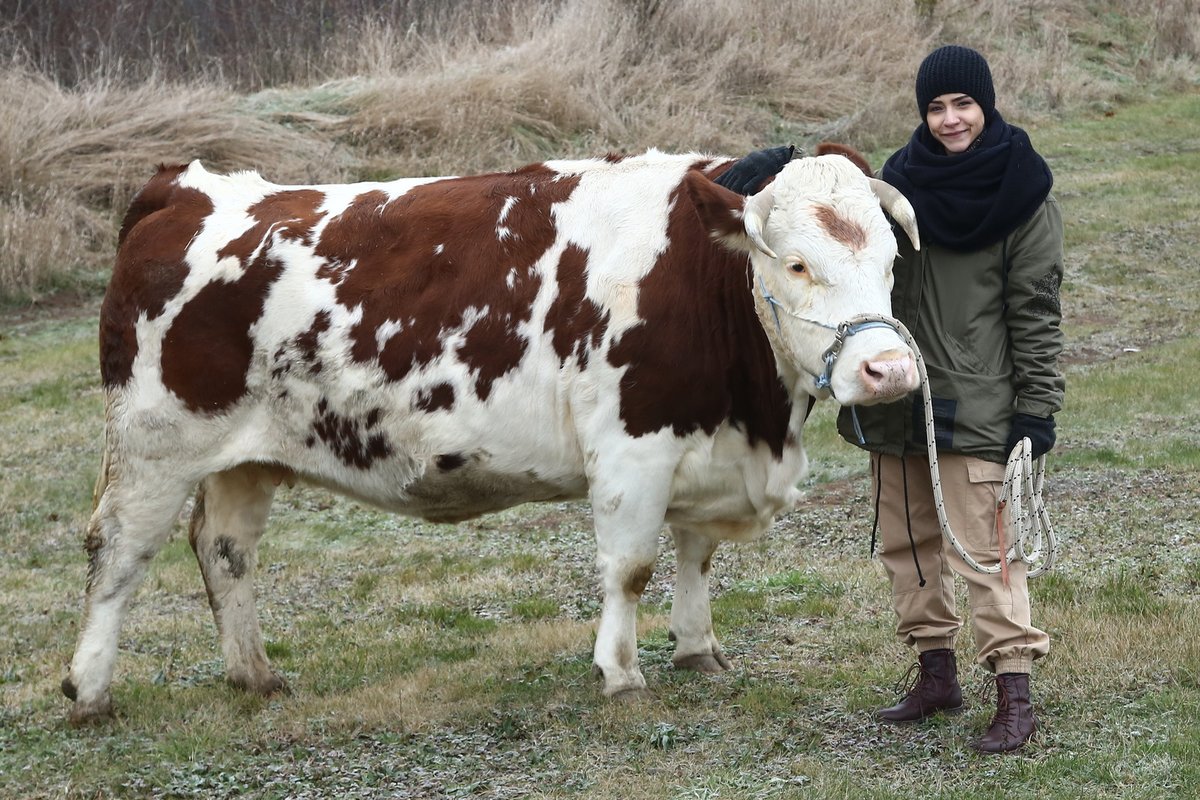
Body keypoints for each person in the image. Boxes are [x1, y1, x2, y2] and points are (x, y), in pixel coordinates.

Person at [717, 44, 1064, 754]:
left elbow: (1035, 309)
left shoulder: (1023, 193)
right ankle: (936, 674)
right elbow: (828, 250)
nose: (950, 120)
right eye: (935, 107)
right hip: (894, 400)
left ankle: (1015, 693)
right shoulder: (894, 185)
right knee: (907, 547)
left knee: (984, 552)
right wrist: (756, 183)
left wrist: (1037, 408)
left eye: (963, 104)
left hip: (977, 402)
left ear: (986, 105)